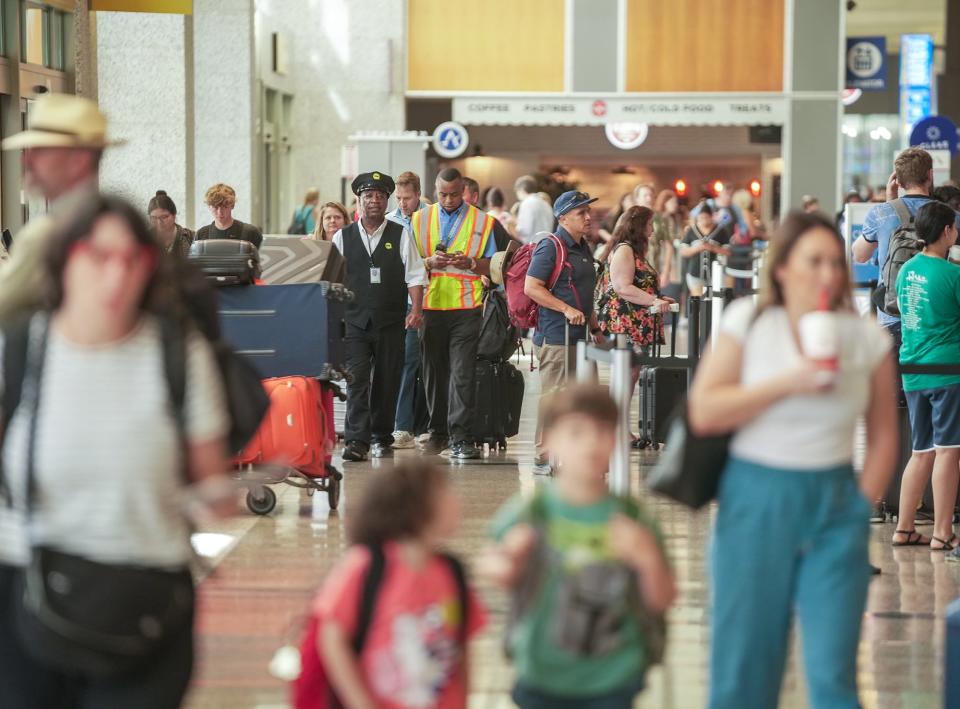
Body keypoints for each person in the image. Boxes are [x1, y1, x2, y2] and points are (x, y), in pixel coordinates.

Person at [0, 196, 230, 709]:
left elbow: (212, 484)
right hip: (27, 592)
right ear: (65, 260)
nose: (117, 277)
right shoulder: (20, 349)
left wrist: (216, 493)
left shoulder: (178, 353)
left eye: (133, 261)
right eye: (99, 257)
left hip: (144, 604)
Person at [688, 211, 897, 709]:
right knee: (743, 670)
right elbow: (705, 411)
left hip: (833, 502)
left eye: (834, 263)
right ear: (782, 268)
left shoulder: (865, 337)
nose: (827, 273)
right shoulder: (750, 322)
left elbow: (885, 434)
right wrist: (789, 382)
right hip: (754, 498)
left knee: (833, 675)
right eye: (813, 261)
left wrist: (856, 509)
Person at [482, 384, 676, 709]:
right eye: (576, 432)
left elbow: (662, 598)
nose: (590, 443)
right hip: (541, 672)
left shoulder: (632, 518)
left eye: (602, 431)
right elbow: (492, 567)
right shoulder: (531, 512)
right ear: (550, 440)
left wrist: (647, 559)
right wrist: (509, 563)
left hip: (613, 677)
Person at [312, 462, 486, 709]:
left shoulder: (452, 572)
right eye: (445, 492)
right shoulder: (366, 567)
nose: (457, 500)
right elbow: (331, 637)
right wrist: (361, 703)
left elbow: (462, 648)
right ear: (415, 507)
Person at [334, 172, 425, 462]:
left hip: (390, 321)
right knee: (357, 380)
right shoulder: (342, 236)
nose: (374, 201)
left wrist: (416, 310)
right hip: (354, 322)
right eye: (368, 196)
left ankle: (382, 435)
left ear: (387, 201)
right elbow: (333, 279)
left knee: (388, 379)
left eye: (380, 196)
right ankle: (357, 440)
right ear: (359, 201)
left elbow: (414, 275)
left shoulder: (400, 233)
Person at [0, 93, 114, 321]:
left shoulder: (47, 234)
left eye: (41, 151)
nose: (27, 160)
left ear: (78, 161)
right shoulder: (119, 221)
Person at [410, 168, 497, 460]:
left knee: (462, 373)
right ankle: (438, 432)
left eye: (455, 194)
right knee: (433, 374)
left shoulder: (483, 222)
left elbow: (494, 266)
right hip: (431, 307)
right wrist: (428, 261)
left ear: (466, 192)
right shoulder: (419, 220)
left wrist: (472, 263)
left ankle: (460, 436)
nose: (448, 200)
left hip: (466, 307)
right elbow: (408, 264)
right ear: (436, 190)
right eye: (443, 194)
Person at [892, 201, 960, 551]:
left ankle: (904, 528)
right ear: (946, 232)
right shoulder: (953, 275)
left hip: (913, 370)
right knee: (949, 451)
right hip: (947, 372)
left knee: (921, 451)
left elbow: (904, 310)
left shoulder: (907, 269)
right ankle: (943, 532)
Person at [852, 149, 960, 356]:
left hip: (892, 315)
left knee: (894, 383)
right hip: (936, 318)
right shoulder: (949, 216)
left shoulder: (881, 213)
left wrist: (889, 200)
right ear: (930, 175)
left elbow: (860, 255)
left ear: (898, 181)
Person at [525, 190, 603, 476]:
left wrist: (594, 327)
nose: (587, 216)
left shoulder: (583, 248)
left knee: (583, 398)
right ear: (563, 217)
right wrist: (565, 309)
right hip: (557, 336)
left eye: (587, 210)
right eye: (581, 212)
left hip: (582, 337)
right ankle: (544, 455)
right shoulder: (551, 246)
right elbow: (532, 287)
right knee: (556, 396)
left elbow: (584, 294)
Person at [388, 171, 429, 450]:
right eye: (399, 199)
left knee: (432, 364)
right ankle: (402, 426)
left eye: (408, 198)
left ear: (418, 195)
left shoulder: (432, 219)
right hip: (405, 300)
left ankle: (429, 426)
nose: (403, 204)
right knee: (408, 362)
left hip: (437, 298)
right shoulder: (391, 222)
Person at [679, 204, 731, 295]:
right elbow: (683, 252)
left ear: (711, 217)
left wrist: (713, 248)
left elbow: (728, 252)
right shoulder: (692, 230)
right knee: (698, 302)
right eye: (700, 218)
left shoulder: (721, 231)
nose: (703, 220)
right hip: (695, 273)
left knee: (714, 302)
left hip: (716, 275)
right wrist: (698, 248)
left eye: (706, 217)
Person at [195, 183, 263, 249]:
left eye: (224, 207)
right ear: (209, 207)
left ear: (232, 205)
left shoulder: (251, 233)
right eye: (215, 207)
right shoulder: (201, 235)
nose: (220, 212)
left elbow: (265, 259)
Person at [463, 175, 511, 251]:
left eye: (461, 195)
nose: (452, 200)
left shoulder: (488, 222)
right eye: (454, 195)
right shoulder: (445, 220)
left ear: (474, 197)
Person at [652, 189, 682, 296]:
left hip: (675, 254)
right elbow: (667, 243)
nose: (676, 205)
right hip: (666, 256)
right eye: (673, 202)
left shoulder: (673, 218)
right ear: (664, 202)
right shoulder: (660, 218)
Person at [148, 190, 194, 258]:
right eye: (154, 218)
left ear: (174, 216)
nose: (159, 222)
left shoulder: (191, 238)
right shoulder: (142, 240)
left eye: (164, 217)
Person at [514, 175, 554, 244]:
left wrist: (513, 226)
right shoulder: (545, 203)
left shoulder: (526, 203)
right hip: (547, 244)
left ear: (522, 189)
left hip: (532, 246)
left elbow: (524, 230)